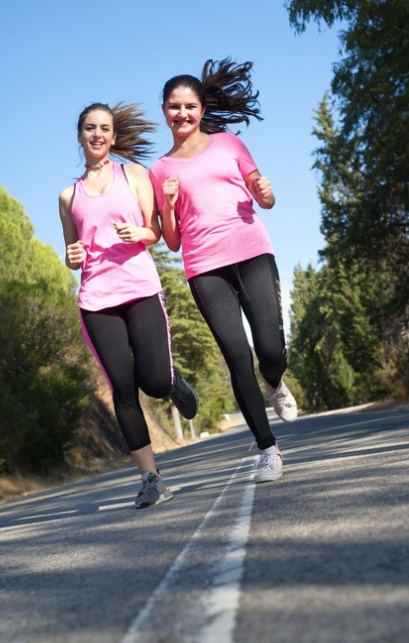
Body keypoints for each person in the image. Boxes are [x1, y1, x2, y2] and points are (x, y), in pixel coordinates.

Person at [149, 58, 297, 484]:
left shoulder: (230, 144)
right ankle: (268, 450)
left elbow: (263, 198)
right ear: (164, 110)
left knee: (269, 349)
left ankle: (275, 382)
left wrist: (266, 191)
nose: (182, 114)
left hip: (251, 252)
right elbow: (172, 242)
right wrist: (171, 205)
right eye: (174, 106)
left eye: (189, 106)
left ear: (201, 110)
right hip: (204, 268)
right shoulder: (160, 171)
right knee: (236, 357)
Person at [59, 102, 198, 508]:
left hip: (139, 289)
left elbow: (155, 231)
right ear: (80, 135)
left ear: (114, 137)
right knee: (123, 388)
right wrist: (72, 258)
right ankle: (150, 478)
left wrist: (140, 231)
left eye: (104, 128)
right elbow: (71, 251)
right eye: (89, 128)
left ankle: (171, 381)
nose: (97, 134)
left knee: (153, 381)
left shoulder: (133, 175)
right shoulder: (68, 196)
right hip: (97, 301)